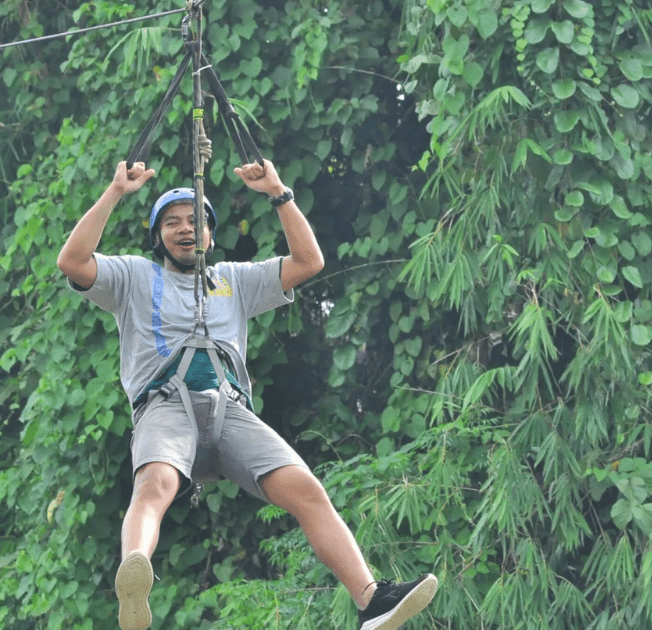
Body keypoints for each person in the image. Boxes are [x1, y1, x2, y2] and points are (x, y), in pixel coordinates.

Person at [55, 159, 438, 630]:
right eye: (171, 223)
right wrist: (115, 193)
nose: (185, 229)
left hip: (228, 409)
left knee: (306, 489)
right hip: (165, 405)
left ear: (211, 235)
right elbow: (72, 261)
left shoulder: (234, 280)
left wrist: (278, 192)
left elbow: (308, 262)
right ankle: (134, 575)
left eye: (196, 220)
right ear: (157, 237)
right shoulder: (133, 276)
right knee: (156, 482)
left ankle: (371, 601)